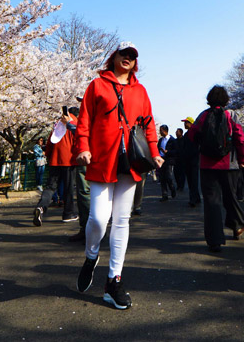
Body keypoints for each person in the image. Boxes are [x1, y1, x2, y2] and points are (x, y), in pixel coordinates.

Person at [75, 42, 163, 310]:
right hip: (102, 159)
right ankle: (91, 256)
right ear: (113, 57)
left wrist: (155, 151)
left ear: (135, 62)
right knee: (99, 218)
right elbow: (84, 119)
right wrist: (83, 147)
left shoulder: (141, 90)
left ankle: (114, 281)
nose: (128, 58)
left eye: (133, 56)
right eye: (124, 54)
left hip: (131, 161)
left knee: (122, 221)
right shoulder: (97, 85)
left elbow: (148, 124)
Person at [187, 86, 244, 253]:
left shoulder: (203, 115)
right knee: (231, 197)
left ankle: (214, 240)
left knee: (211, 203)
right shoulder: (231, 115)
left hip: (207, 165)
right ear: (226, 99)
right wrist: (242, 159)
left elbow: (192, 135)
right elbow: (240, 139)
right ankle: (237, 225)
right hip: (229, 164)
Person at [34, 107, 80, 226]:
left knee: (50, 187)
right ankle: (68, 214)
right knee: (68, 188)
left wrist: (49, 154)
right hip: (69, 160)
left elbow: (50, 142)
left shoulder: (58, 124)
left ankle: (41, 207)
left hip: (55, 160)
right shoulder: (75, 124)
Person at [181, 116, 202, 207]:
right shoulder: (186, 135)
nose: (185, 124)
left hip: (194, 159)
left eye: (186, 122)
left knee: (193, 179)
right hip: (187, 160)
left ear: (190, 123)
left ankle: (193, 199)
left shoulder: (196, 133)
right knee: (190, 180)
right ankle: (196, 197)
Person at [157, 124, 177, 201]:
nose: (160, 132)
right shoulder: (161, 140)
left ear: (165, 131)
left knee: (168, 177)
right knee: (162, 178)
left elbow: (176, 151)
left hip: (169, 160)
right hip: (161, 160)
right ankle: (164, 195)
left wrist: (167, 152)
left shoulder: (172, 140)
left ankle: (172, 188)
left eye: (161, 130)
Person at [173, 127, 187, 192]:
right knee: (176, 173)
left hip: (183, 159)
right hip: (176, 159)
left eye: (177, 132)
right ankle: (178, 185)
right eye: (176, 132)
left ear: (181, 133)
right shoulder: (175, 141)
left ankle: (181, 186)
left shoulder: (184, 140)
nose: (176, 133)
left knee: (182, 174)